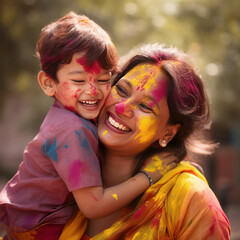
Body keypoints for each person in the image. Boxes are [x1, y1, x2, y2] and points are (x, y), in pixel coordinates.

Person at [0, 13, 168, 240]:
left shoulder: (70, 116)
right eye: (79, 81)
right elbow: (93, 206)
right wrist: (147, 176)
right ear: (49, 83)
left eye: (103, 80)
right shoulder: (72, 131)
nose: (93, 90)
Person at [59, 43, 231, 239]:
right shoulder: (60, 178)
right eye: (122, 91)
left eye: (146, 107)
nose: (123, 107)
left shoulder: (191, 201)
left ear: (168, 133)